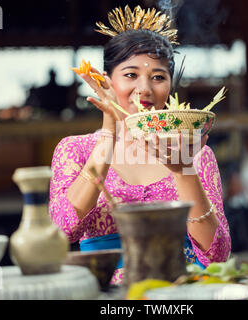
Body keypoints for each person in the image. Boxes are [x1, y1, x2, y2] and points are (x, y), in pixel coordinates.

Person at [49, 5, 231, 284]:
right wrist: (109, 133)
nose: (145, 89)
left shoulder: (194, 152)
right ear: (106, 81)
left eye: (158, 77)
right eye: (131, 75)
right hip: (107, 292)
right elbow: (62, 230)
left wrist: (184, 171)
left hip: (181, 289)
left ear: (170, 86)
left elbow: (217, 255)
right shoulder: (75, 150)